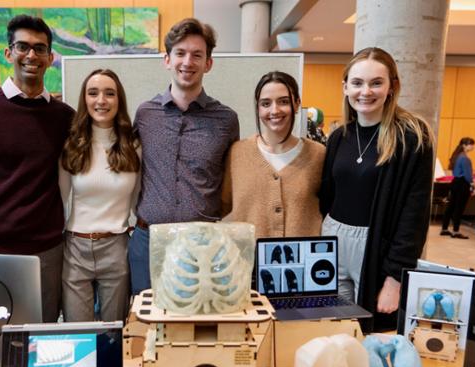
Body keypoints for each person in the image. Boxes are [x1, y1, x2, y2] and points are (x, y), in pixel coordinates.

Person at [0, 15, 74, 322]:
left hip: (48, 250)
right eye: (23, 46)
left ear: (50, 58)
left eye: (40, 48)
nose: (31, 55)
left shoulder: (64, 117)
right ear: (8, 53)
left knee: (43, 335)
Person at [319, 47, 434, 331]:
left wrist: (395, 279)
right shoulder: (338, 138)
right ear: (345, 86)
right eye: (357, 83)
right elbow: (327, 195)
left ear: (392, 86)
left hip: (374, 247)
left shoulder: (411, 139)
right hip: (332, 238)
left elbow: (414, 215)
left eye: (376, 83)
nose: (365, 91)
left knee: (371, 332)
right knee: (335, 329)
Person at [128, 18, 239, 295]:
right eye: (180, 53)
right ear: (167, 59)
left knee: (195, 327)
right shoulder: (145, 114)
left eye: (197, 55)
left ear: (208, 63)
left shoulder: (226, 120)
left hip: (201, 245)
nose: (187, 62)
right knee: (145, 324)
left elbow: (230, 183)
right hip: (147, 240)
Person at [59, 69, 140, 322]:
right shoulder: (71, 144)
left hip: (116, 246)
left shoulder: (133, 145)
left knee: (112, 335)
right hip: (76, 249)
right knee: (77, 332)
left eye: (109, 94)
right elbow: (61, 201)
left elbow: (137, 201)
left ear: (119, 100)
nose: (101, 100)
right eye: (93, 93)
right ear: (85, 100)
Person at [222, 71, 325, 238]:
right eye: (266, 103)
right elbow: (220, 205)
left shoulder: (318, 155)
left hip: (302, 261)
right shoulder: (237, 154)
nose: (275, 110)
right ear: (257, 108)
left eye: (283, 101)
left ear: (297, 104)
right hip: (251, 260)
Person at [440, 137, 475, 239]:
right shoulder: (465, 158)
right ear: (464, 145)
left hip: (455, 182)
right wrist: (472, 185)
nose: (473, 146)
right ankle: (456, 231)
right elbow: (468, 176)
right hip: (463, 184)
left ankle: (444, 228)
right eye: (471, 144)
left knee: (451, 206)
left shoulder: (456, 156)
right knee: (459, 208)